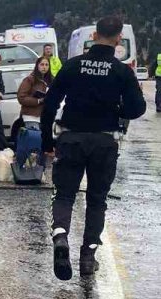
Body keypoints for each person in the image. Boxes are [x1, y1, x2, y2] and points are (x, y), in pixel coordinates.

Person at [41, 15, 147, 280]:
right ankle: (88, 257)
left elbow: (50, 103)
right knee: (97, 200)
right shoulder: (122, 70)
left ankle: (61, 236)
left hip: (71, 137)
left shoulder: (72, 66)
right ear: (118, 38)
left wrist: (46, 141)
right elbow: (137, 108)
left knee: (64, 195)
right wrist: (116, 109)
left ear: (95, 35)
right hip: (104, 140)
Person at [153, 47, 161, 113]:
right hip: (159, 77)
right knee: (159, 91)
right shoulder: (159, 56)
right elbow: (154, 65)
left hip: (158, 76)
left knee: (159, 91)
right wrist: (151, 74)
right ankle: (158, 106)